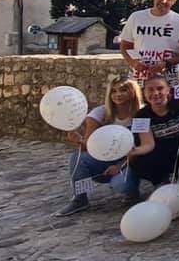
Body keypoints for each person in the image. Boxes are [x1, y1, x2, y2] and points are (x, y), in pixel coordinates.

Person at [55, 77, 153, 216]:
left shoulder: (141, 114)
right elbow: (88, 147)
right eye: (114, 91)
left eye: (123, 90)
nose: (118, 94)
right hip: (104, 161)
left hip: (131, 161)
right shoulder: (100, 114)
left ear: (133, 92)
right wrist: (78, 141)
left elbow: (142, 147)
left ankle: (132, 192)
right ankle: (80, 199)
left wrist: (120, 166)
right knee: (78, 158)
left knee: (121, 185)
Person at [120, 0, 179, 87]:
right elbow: (125, 46)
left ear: (174, 1)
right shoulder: (136, 17)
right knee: (138, 98)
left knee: (166, 98)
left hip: (168, 76)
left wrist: (168, 63)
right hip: (140, 74)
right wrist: (134, 62)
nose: (164, 1)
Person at [130, 75, 179, 188]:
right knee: (139, 162)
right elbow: (148, 144)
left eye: (160, 88)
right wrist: (132, 151)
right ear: (144, 93)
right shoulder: (141, 115)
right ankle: (161, 181)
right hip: (161, 152)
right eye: (150, 90)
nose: (156, 93)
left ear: (168, 90)